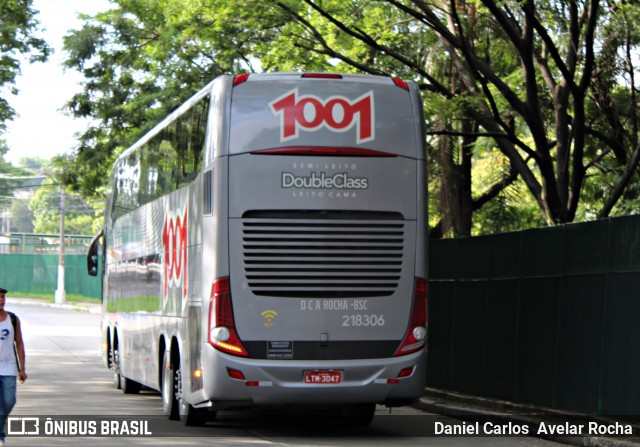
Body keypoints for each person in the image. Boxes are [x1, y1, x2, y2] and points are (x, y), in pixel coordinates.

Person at [0, 287, 27, 446]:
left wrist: (22, 368)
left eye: (3, 297)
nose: (1, 300)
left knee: (9, 401)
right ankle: (1, 435)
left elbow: (20, 344)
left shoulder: (12, 319)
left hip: (9, 367)